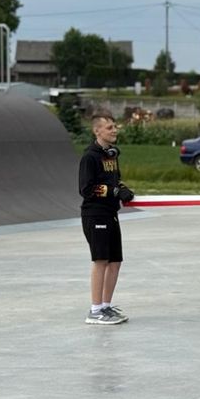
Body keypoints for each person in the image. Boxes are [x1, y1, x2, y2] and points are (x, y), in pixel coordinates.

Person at [78, 114, 134, 325]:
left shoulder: (111, 155)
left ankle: (105, 306)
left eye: (115, 126)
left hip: (111, 213)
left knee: (115, 261)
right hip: (95, 214)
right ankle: (94, 310)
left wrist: (121, 188)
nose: (115, 130)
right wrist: (112, 191)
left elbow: (114, 180)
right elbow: (86, 189)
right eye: (110, 127)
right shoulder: (89, 157)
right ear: (97, 131)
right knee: (101, 260)